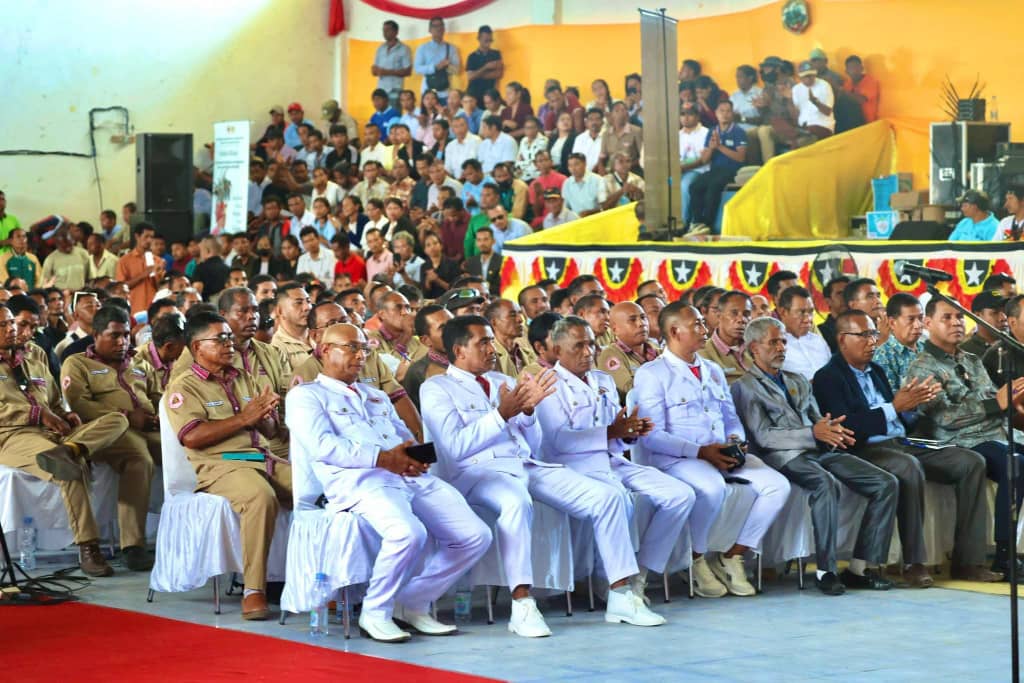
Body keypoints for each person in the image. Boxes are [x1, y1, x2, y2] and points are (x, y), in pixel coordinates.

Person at [421, 315, 646, 636]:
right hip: (477, 473)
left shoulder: (503, 380)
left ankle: (621, 595)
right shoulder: (437, 388)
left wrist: (527, 414)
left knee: (608, 497)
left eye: (491, 341)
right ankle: (522, 603)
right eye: (483, 343)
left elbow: (534, 442)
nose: (492, 349)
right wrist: (502, 414)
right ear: (459, 351)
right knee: (516, 502)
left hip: (524, 464)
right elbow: (455, 447)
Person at [286, 322, 489, 641]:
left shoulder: (376, 395)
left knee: (474, 535)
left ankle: (411, 603)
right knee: (408, 533)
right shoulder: (306, 396)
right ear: (325, 350)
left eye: (364, 349)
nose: (360, 356)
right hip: (361, 482)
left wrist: (414, 456)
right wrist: (383, 458)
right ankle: (375, 612)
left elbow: (404, 436)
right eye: (351, 348)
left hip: (405, 475)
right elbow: (323, 446)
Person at [813, 309, 1001, 584]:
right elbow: (848, 426)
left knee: (971, 461)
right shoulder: (828, 377)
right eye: (863, 335)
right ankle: (914, 562)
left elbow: (899, 414)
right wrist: (895, 407)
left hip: (903, 441)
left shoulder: (875, 370)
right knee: (908, 466)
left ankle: (968, 561)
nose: (872, 341)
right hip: (866, 449)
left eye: (873, 334)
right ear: (842, 339)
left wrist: (915, 405)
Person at [537, 316, 693, 620]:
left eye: (591, 344)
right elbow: (558, 441)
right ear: (557, 350)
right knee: (616, 499)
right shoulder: (548, 385)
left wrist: (629, 433)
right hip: (574, 467)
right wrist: (611, 432)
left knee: (680, 495)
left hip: (612, 461)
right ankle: (617, 591)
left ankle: (640, 574)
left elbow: (615, 432)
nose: (588, 352)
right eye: (578, 346)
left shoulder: (603, 380)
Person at [633, 302, 790, 597]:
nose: (705, 329)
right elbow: (652, 435)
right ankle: (694, 560)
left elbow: (730, 417)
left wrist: (735, 441)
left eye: (703, 323)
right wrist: (701, 452)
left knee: (777, 486)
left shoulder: (713, 369)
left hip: (722, 454)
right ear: (674, 331)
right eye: (697, 325)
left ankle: (732, 555)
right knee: (711, 488)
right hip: (678, 459)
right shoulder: (653, 374)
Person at [732, 316, 897, 594]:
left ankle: (859, 568)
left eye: (783, 341)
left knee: (886, 483)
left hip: (818, 449)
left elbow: (817, 418)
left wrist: (834, 431)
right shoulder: (745, 387)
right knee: (825, 483)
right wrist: (813, 433)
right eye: (773, 342)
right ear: (753, 348)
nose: (781, 347)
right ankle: (825, 571)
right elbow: (763, 437)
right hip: (782, 457)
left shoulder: (796, 380)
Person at [165, 311, 292, 619]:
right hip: (221, 465)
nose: (229, 344)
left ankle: (313, 582)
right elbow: (192, 437)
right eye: (220, 339)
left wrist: (266, 417)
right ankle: (254, 589)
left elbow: (271, 432)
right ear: (197, 347)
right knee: (261, 497)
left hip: (261, 458)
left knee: (318, 488)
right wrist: (244, 418)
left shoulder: (243, 377)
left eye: (229, 338)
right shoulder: (184, 387)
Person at [0, 304, 138, 577]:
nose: (11, 329)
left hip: (53, 432)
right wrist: (37, 414)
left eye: (11, 322)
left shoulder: (34, 354)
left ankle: (70, 449)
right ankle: (88, 547)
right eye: (2, 325)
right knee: (68, 469)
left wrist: (65, 414)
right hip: (12, 434)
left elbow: (52, 399)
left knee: (118, 420)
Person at [905, 298, 1024, 576]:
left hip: (995, 433)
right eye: (947, 317)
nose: (956, 323)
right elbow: (945, 418)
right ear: (928, 323)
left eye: (959, 317)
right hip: (961, 441)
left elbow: (994, 399)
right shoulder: (923, 367)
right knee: (1015, 463)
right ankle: (1005, 554)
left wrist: (1012, 401)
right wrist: (996, 403)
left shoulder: (971, 360)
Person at [687, 100, 747, 235]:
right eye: (721, 111)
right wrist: (711, 148)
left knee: (714, 186)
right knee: (695, 186)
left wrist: (720, 146)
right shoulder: (712, 131)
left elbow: (741, 157)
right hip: (715, 170)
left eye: (728, 111)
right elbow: (705, 159)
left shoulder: (738, 132)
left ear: (732, 114)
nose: (725, 114)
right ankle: (697, 223)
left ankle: (708, 224)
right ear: (716, 113)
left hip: (732, 170)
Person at [596, 301, 661, 403]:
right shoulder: (610, 354)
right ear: (615, 329)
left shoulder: (658, 350)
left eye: (643, 317)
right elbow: (628, 391)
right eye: (632, 320)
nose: (641, 323)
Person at [401, 305, 453, 411]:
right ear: (426, 340)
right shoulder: (418, 373)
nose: (454, 330)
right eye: (443, 328)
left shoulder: (473, 359)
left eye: (453, 323)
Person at [873, 293, 927, 391]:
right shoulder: (883, 356)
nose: (918, 325)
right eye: (911, 319)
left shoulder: (927, 349)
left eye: (920, 318)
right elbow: (890, 397)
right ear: (892, 323)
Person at [777, 286, 830, 381]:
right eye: (801, 312)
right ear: (783, 312)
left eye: (811, 312)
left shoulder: (818, 341)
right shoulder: (775, 345)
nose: (808, 319)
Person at [700, 290, 752, 385]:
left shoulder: (756, 348)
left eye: (746, 314)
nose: (741, 319)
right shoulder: (703, 354)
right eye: (734, 313)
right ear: (719, 316)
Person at [115, 223, 161, 315]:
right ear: (137, 236)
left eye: (152, 237)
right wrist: (144, 274)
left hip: (154, 309)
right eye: (146, 236)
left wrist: (157, 275)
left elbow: (160, 287)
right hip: (134, 309)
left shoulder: (158, 260)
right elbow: (121, 287)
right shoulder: (124, 261)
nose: (149, 240)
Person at [414, 16, 460, 103]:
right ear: (429, 30)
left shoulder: (451, 48)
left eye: (441, 25)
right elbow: (417, 69)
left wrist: (448, 66)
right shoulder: (423, 48)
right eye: (435, 26)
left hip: (445, 92)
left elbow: (456, 70)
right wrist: (435, 67)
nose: (439, 28)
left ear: (444, 29)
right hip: (427, 93)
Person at [483, 298, 531, 378]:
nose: (520, 319)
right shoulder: (489, 357)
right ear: (494, 322)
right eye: (512, 315)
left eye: (520, 313)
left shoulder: (529, 354)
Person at [678, 105, 710, 224]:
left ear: (697, 117)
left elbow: (702, 159)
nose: (686, 117)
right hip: (679, 170)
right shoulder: (678, 135)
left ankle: (683, 222)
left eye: (690, 114)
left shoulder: (705, 133)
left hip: (699, 170)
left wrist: (682, 167)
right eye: (682, 114)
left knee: (684, 185)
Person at [270, 283, 313, 369]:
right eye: (298, 303)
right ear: (280, 311)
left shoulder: (320, 334)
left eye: (308, 301)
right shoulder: (276, 348)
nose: (307, 307)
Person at [792, 61, 835, 141]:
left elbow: (828, 112)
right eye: (805, 76)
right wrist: (788, 100)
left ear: (815, 74)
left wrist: (816, 102)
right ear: (800, 77)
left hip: (822, 125)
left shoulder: (824, 85)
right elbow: (796, 116)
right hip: (803, 127)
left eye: (811, 75)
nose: (809, 78)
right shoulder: (796, 89)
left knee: (802, 140)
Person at [372, 20, 412, 106]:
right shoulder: (380, 49)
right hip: (381, 90)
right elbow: (374, 70)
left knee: (394, 113)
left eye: (388, 30)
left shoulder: (404, 49)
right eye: (383, 30)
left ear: (396, 32)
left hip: (395, 90)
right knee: (382, 113)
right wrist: (377, 71)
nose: (384, 33)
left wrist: (386, 72)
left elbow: (408, 71)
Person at [465, 25, 503, 106]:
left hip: (489, 97)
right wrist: (486, 67)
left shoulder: (496, 54)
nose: (489, 43)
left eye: (490, 40)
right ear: (479, 38)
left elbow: (498, 74)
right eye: (486, 40)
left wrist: (477, 74)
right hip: (474, 96)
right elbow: (470, 77)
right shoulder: (472, 56)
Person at [599, 101, 642, 172]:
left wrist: (626, 166)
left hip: (631, 170)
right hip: (612, 171)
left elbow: (642, 157)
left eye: (623, 110)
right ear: (611, 115)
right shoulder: (606, 134)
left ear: (627, 113)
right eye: (617, 111)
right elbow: (602, 157)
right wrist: (602, 170)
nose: (620, 113)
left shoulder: (636, 131)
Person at [561, 153, 607, 217]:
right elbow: (565, 208)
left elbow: (605, 206)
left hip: (597, 218)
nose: (573, 168)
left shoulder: (598, 180)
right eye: (570, 166)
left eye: (576, 164)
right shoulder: (567, 183)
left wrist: (590, 213)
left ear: (585, 164)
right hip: (576, 220)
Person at [463, 227, 502, 295]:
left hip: (496, 298)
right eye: (479, 240)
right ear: (476, 242)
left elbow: (504, 287)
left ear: (493, 241)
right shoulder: (471, 262)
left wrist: (484, 285)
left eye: (485, 239)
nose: (482, 243)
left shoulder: (502, 261)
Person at [842, 55, 880, 123]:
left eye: (857, 67)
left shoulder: (870, 81)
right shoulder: (847, 84)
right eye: (851, 68)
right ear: (846, 71)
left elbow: (861, 100)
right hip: (851, 120)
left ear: (862, 68)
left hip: (867, 122)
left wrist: (842, 92)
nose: (855, 70)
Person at [818, 276, 850, 353]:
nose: (846, 297)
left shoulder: (864, 325)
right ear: (828, 301)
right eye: (840, 293)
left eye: (849, 292)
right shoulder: (821, 333)